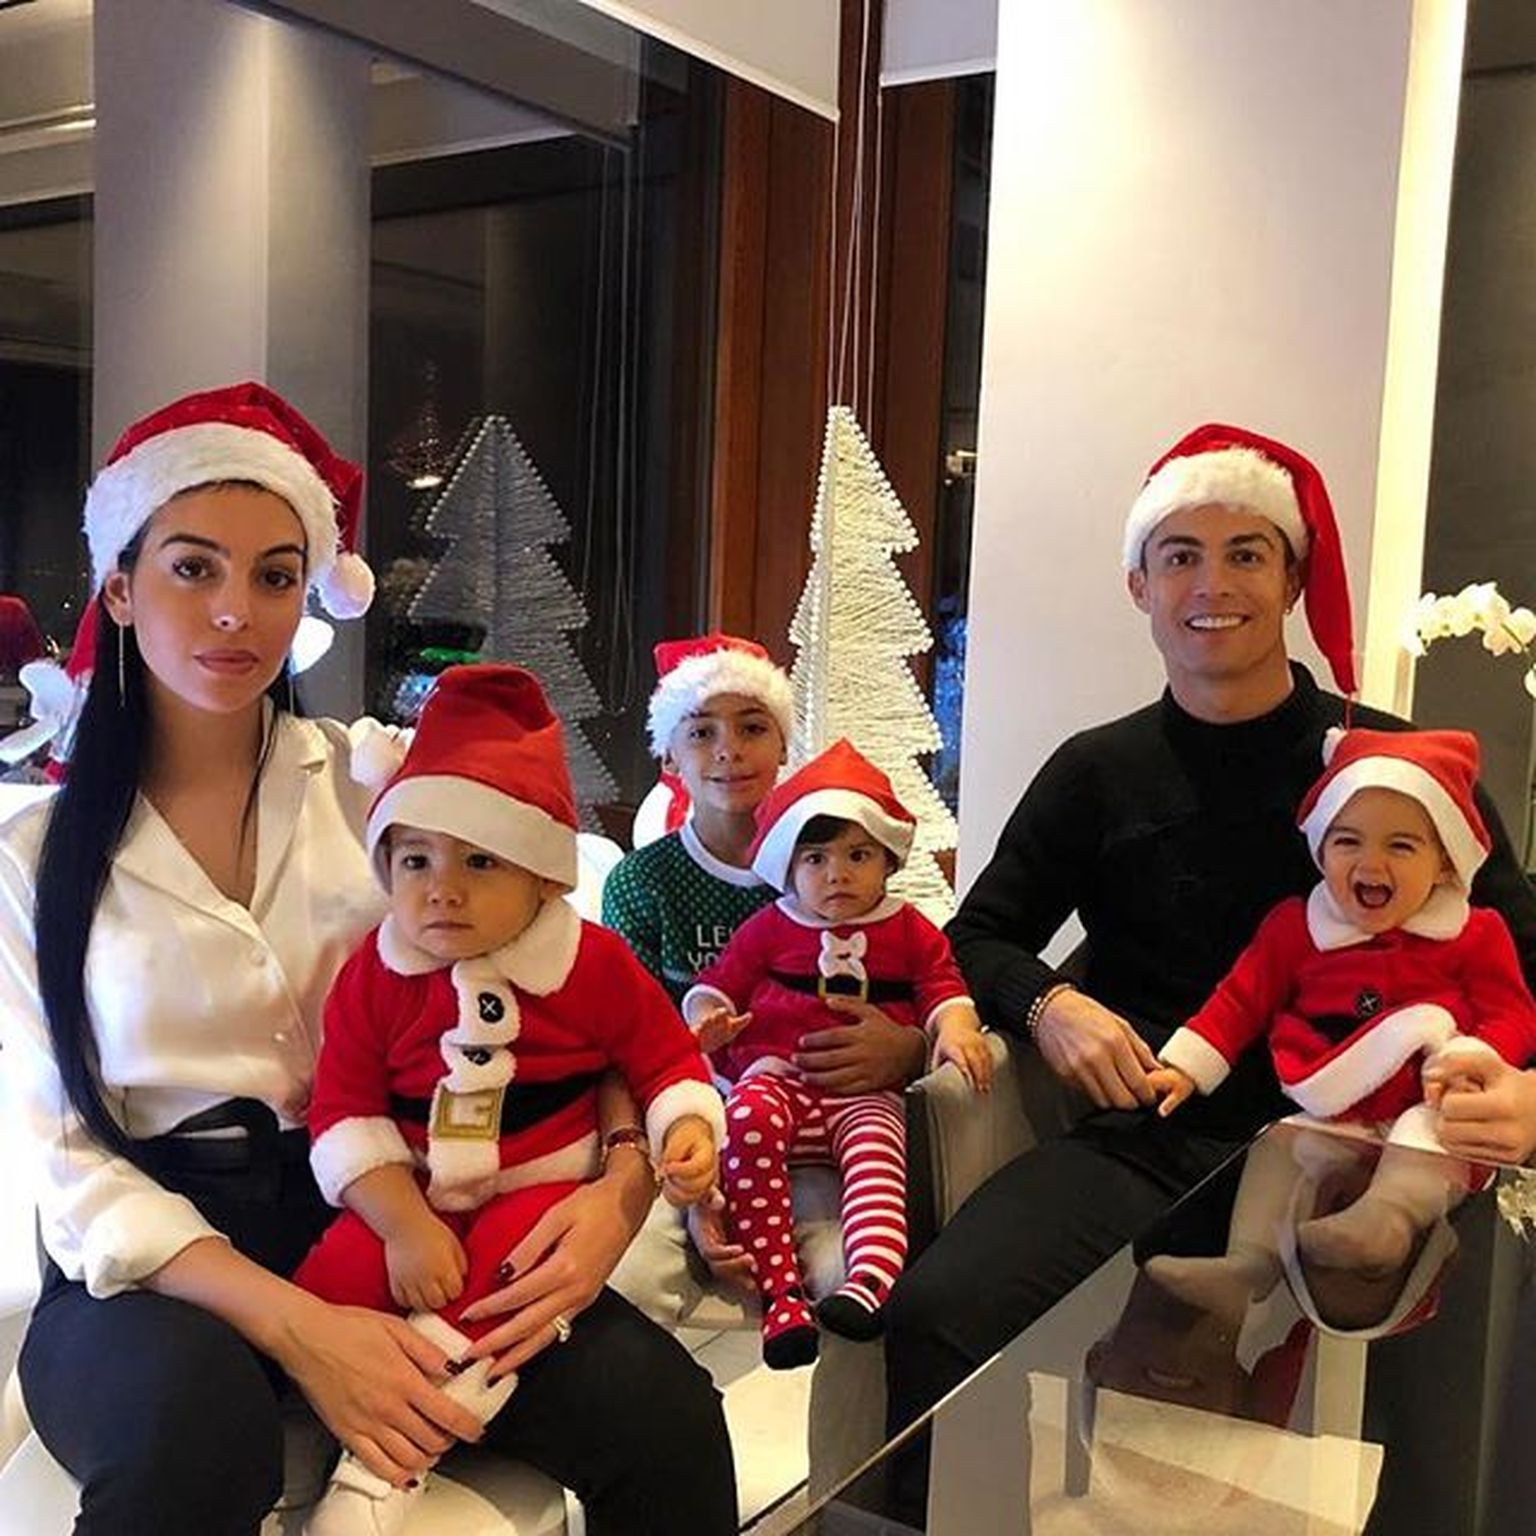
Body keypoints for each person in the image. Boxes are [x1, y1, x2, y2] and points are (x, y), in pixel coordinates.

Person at [0, 382, 736, 1536]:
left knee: (664, 1418)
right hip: (158, 1264)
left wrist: (622, 1184)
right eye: (193, 568)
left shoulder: (387, 795)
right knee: (193, 1454)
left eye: (274, 576)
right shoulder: (33, 858)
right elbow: (69, 1160)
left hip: (415, 1217)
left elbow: (575, 991)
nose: (235, 611)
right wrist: (304, 1330)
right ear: (121, 587)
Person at [881, 422, 1536, 1522]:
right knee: (940, 1312)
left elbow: (1523, 952)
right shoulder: (1098, 770)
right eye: (1180, 554)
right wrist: (1051, 1006)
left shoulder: (1400, 768)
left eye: (1247, 553)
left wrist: (1525, 1091)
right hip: (1151, 1133)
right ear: (1140, 585)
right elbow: (977, 935)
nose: (1213, 584)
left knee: (1415, 1414)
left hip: (1363, 1152)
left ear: (1291, 581)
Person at [293, 662, 725, 1534]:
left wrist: (684, 1126)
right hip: (409, 1189)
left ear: (543, 877)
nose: (441, 888)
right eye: (414, 860)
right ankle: (353, 1405)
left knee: (504, 1294)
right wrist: (400, 1222)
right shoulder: (375, 974)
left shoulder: (591, 963)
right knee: (335, 1277)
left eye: (480, 861)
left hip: (538, 1188)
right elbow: (343, 1112)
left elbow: (661, 1055)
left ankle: (394, 1458)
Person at [1145, 727, 1536, 1316]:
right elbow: (1241, 999)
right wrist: (1187, 1064)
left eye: (1401, 846)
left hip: (1431, 1104)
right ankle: (1245, 1265)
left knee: (1427, 1141)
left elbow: (1514, 1012)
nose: (1370, 862)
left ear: (1444, 863)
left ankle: (1385, 1223)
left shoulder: (1474, 933)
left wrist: (1475, 1057)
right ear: (1320, 850)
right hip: (1329, 1107)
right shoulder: (1295, 926)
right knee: (1280, 1145)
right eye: (1347, 840)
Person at [604, 633, 929, 1287]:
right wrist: (696, 1179)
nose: (729, 749)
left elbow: (921, 976)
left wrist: (910, 1048)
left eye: (753, 727)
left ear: (783, 745)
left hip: (836, 1133)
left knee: (846, 1273)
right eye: (702, 732)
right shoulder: (643, 884)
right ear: (669, 754)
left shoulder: (840, 868)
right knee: (634, 1279)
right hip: (692, 1130)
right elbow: (629, 1047)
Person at [682, 740, 992, 1367]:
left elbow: (942, 985)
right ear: (788, 866)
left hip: (863, 1096)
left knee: (879, 1158)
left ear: (888, 861)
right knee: (746, 1120)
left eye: (858, 855)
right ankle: (781, 1293)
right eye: (816, 858)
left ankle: (868, 1283)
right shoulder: (770, 926)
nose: (837, 874)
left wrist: (956, 1027)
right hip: (779, 1081)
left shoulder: (908, 928)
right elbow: (718, 982)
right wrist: (706, 1019)